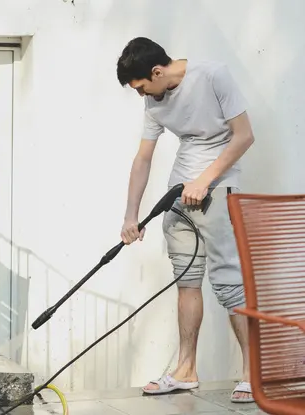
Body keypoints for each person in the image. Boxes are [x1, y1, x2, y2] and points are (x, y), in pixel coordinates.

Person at [116, 37, 256, 403]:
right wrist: (132, 216)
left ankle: (251, 374)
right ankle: (186, 370)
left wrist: (205, 180)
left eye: (142, 86)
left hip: (218, 189)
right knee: (186, 280)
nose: (141, 94)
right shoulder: (153, 100)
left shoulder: (213, 76)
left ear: (158, 71)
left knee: (230, 283)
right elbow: (143, 158)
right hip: (179, 194)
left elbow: (243, 137)